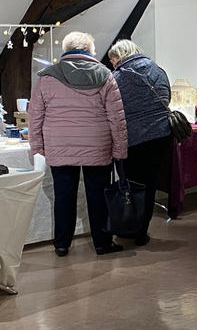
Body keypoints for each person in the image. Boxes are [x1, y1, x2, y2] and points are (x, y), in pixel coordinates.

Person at [27, 32, 128, 256]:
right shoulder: (105, 75)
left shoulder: (47, 76)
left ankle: (62, 244)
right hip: (97, 146)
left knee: (63, 195)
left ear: (66, 49)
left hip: (59, 146)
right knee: (98, 195)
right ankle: (102, 243)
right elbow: (116, 118)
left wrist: (37, 146)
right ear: (90, 50)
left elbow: (35, 116)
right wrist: (120, 150)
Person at [109, 40, 172, 246]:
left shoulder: (117, 77)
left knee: (131, 185)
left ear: (119, 56)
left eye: (113, 60)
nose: (113, 64)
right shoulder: (158, 71)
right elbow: (167, 98)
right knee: (150, 184)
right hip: (160, 136)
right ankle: (141, 231)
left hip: (132, 139)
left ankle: (129, 227)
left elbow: (112, 109)